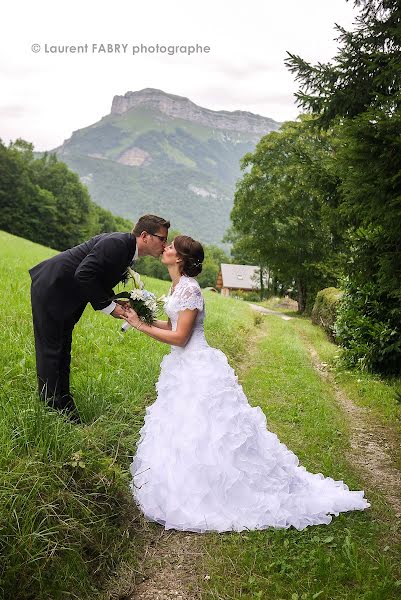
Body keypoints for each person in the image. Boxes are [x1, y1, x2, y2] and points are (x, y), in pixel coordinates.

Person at [123, 235, 370, 533]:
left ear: (181, 259)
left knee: (211, 431)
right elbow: (173, 326)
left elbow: (181, 338)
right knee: (185, 428)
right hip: (181, 367)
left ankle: (217, 492)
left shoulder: (189, 289)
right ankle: (184, 484)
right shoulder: (176, 286)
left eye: (172, 247)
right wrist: (143, 318)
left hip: (197, 365)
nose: (166, 248)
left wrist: (140, 326)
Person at [29, 214, 170, 422]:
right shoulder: (118, 244)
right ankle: (51, 409)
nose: (165, 244)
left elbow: (97, 276)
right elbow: (84, 274)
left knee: (62, 349)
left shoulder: (126, 249)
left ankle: (63, 402)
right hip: (53, 287)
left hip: (66, 295)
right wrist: (109, 306)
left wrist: (114, 300)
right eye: (163, 239)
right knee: (51, 350)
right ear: (145, 236)